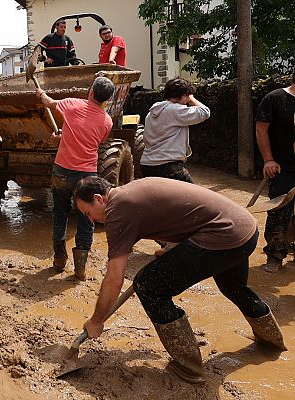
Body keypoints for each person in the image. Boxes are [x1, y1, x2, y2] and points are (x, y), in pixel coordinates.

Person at [74, 176, 287, 385]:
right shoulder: (132, 189)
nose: (91, 220)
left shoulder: (117, 211)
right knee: (233, 287)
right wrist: (173, 245)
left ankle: (189, 367)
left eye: (88, 213)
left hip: (223, 235)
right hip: (245, 229)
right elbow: (179, 212)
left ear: (99, 198)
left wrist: (96, 320)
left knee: (148, 286)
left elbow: (114, 278)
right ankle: (272, 341)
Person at [35, 76, 115, 280]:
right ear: (107, 99)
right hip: (87, 176)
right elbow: (94, 140)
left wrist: (41, 94)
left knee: (60, 213)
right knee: (86, 219)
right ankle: (80, 269)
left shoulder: (72, 104)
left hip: (62, 171)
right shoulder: (107, 121)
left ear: (90, 91)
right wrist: (67, 135)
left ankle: (59, 259)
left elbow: (48, 103)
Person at [255, 71, 295, 273]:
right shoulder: (275, 99)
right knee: (279, 211)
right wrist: (268, 160)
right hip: (283, 167)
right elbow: (261, 129)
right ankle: (275, 254)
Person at [140, 77, 210, 183]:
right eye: (186, 96)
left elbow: (146, 139)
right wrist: (192, 99)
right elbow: (205, 112)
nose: (187, 101)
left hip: (147, 166)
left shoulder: (151, 113)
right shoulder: (175, 110)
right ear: (181, 95)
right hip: (168, 166)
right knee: (191, 197)